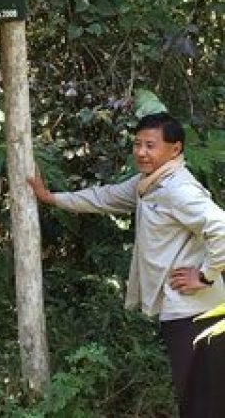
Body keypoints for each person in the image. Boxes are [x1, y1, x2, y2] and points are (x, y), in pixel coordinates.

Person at [27, 112, 225, 417]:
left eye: (151, 145)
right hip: (183, 309)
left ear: (175, 149)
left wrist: (206, 275)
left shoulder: (178, 189)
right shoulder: (150, 184)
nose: (142, 152)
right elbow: (104, 197)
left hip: (195, 310)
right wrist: (52, 198)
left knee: (201, 399)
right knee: (200, 394)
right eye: (137, 144)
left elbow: (221, 227)